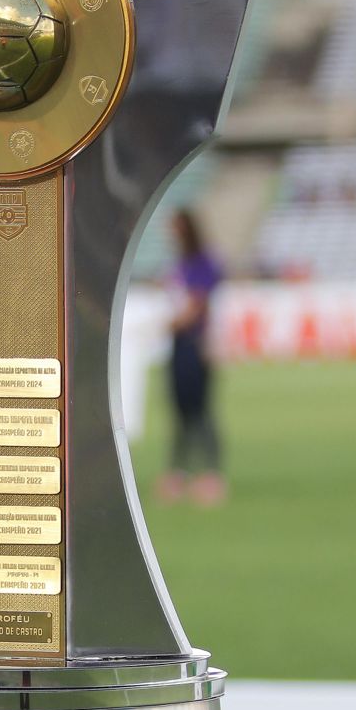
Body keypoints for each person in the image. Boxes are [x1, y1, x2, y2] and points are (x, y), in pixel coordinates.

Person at [157, 209, 226, 505]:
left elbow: (198, 305)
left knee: (200, 410)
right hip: (180, 344)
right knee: (180, 411)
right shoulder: (180, 265)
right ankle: (180, 472)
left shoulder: (203, 262)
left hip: (196, 344)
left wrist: (171, 323)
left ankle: (211, 474)